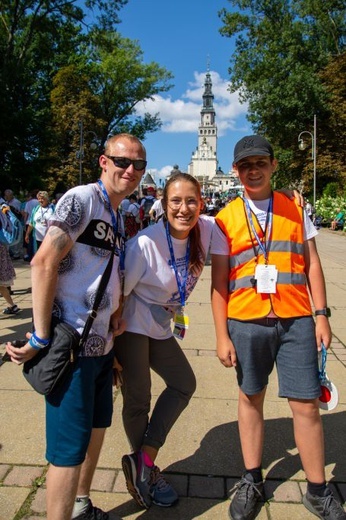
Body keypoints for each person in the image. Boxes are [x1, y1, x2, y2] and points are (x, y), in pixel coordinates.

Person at [6, 133, 147, 520]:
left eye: (139, 164)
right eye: (122, 161)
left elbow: (101, 274)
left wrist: (114, 321)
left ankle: (81, 506)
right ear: (104, 162)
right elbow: (42, 262)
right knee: (68, 451)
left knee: (97, 429)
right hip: (71, 347)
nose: (130, 170)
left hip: (100, 349)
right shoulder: (82, 199)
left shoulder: (117, 213)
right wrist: (39, 335)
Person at [210, 135, 346, 520]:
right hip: (247, 320)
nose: (253, 170)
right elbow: (219, 282)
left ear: (273, 165)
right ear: (236, 171)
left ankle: (317, 490)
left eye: (260, 163)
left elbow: (312, 264)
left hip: (297, 319)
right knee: (251, 397)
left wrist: (321, 314)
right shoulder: (226, 218)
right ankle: (252, 479)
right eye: (245, 165)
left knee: (305, 404)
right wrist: (221, 335)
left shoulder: (294, 207)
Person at [114, 172, 215, 509]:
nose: (183, 208)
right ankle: (147, 472)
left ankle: (142, 458)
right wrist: (112, 350)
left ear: (201, 203)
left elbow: (244, 214)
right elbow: (117, 299)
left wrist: (290, 197)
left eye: (191, 201)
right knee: (138, 397)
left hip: (161, 323)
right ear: (163, 204)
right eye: (176, 201)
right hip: (130, 325)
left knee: (183, 383)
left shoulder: (206, 231)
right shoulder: (144, 243)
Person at [22, 189, 39, 261]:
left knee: (29, 240)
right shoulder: (39, 202)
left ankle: (29, 255)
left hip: (28, 222)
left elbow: (26, 214)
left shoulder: (28, 203)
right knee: (36, 240)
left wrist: (24, 222)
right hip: (37, 223)